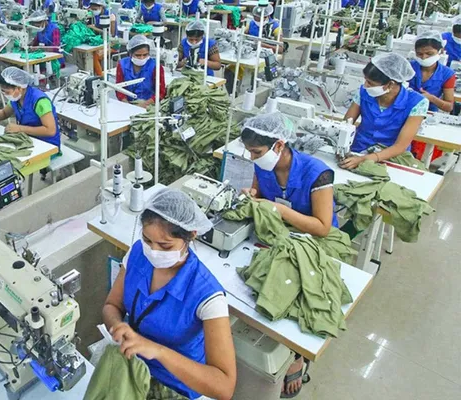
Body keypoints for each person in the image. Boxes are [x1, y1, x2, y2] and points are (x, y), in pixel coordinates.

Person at [102, 189, 236, 400]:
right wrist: (118, 327)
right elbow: (111, 306)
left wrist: (157, 351)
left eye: (165, 246)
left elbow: (224, 387)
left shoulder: (208, 295)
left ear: (191, 235)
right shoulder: (138, 253)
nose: (153, 251)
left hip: (175, 387)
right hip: (132, 365)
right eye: (147, 240)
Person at [241, 112, 338, 236]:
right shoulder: (263, 164)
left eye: (257, 152)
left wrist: (281, 210)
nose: (252, 158)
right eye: (249, 152)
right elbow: (258, 196)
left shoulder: (317, 173)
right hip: (278, 228)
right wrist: (251, 196)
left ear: (279, 145)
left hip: (316, 238)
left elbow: (322, 229)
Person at [341, 53, 427, 170]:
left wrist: (365, 159)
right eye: (365, 80)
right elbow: (345, 125)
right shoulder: (363, 92)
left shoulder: (417, 102)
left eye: (370, 83)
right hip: (357, 151)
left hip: (391, 158)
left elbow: (400, 146)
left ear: (390, 84)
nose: (365, 85)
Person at [0, 67, 60, 149]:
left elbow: (50, 130)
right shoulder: (16, 98)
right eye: (2, 91)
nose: (5, 94)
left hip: (48, 144)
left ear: (19, 88)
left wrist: (20, 128)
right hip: (28, 139)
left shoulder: (40, 101)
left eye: (7, 92)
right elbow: (4, 113)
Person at [409, 31, 455, 113]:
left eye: (429, 53)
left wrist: (431, 98)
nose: (424, 57)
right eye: (419, 54)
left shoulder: (447, 74)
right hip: (405, 109)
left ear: (440, 51)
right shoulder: (408, 67)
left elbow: (449, 107)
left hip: (429, 112)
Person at [116, 35, 166, 108]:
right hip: (127, 104)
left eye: (145, 55)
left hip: (148, 104)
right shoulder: (122, 65)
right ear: (130, 54)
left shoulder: (156, 67)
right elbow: (119, 89)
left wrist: (145, 104)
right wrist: (126, 105)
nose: (142, 58)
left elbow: (161, 92)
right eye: (138, 55)